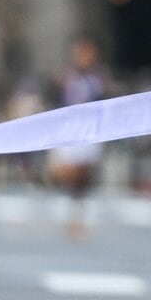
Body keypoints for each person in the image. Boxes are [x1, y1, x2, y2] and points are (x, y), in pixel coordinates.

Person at [47, 37, 108, 239]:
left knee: (84, 175)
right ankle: (70, 211)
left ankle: (79, 214)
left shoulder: (97, 79)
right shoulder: (66, 77)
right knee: (68, 172)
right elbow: (56, 101)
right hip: (69, 129)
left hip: (89, 131)